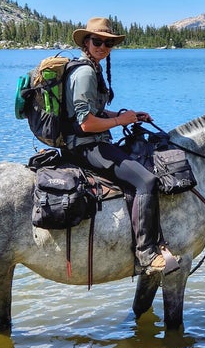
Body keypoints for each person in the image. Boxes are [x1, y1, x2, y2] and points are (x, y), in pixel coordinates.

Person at [64, 17, 178, 275]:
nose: (103, 47)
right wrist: (119, 121)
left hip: (93, 142)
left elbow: (97, 111)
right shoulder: (84, 73)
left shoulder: (93, 68)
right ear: (86, 42)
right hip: (87, 147)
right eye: (97, 41)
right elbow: (85, 124)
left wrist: (131, 116)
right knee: (146, 181)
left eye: (108, 43)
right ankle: (147, 254)